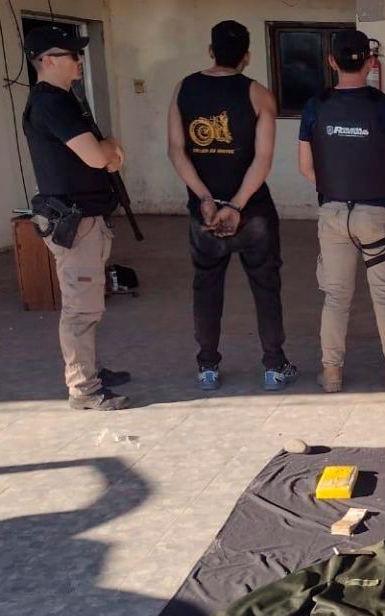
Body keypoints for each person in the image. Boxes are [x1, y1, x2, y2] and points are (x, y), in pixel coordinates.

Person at [168, 20, 296, 392]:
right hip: (251, 212)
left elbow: (176, 150)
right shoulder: (259, 94)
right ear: (247, 56)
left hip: (205, 214)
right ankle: (274, 366)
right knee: (265, 286)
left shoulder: (184, 88)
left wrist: (206, 198)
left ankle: (207, 367)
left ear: (211, 51)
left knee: (206, 285)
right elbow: (263, 158)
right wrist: (236, 205)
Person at [298, 30, 385, 393]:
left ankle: (331, 374)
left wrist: (338, 185)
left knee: (336, 298)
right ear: (370, 62)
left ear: (331, 62)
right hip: (378, 213)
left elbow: (306, 168)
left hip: (334, 213)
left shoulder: (315, 106)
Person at [21, 26, 131, 410]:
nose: (78, 59)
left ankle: (90, 369)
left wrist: (108, 152)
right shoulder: (50, 104)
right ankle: (84, 388)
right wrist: (112, 146)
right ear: (47, 61)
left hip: (86, 217)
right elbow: (100, 157)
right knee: (81, 308)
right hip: (75, 220)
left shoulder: (64, 100)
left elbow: (103, 158)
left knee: (88, 302)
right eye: (70, 54)